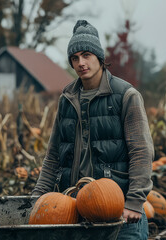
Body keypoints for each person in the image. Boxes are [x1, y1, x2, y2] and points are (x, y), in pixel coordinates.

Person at [32, 19, 154, 239]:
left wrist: (135, 201)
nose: (81, 63)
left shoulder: (125, 96)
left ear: (99, 57)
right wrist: (38, 197)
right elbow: (53, 155)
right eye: (75, 58)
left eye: (86, 55)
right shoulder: (67, 99)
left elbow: (141, 152)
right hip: (75, 207)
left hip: (117, 207)